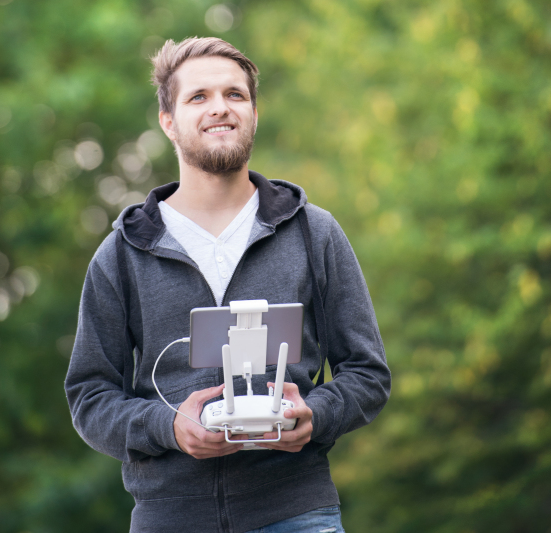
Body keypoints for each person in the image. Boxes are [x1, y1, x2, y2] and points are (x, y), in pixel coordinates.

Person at [66, 36, 391, 533]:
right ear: (168, 121)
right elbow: (89, 396)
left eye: (235, 95)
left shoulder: (314, 231)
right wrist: (169, 428)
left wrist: (315, 413)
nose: (220, 108)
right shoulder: (122, 253)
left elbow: (367, 373)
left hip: (297, 513)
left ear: (254, 112)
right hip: (168, 518)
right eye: (198, 97)